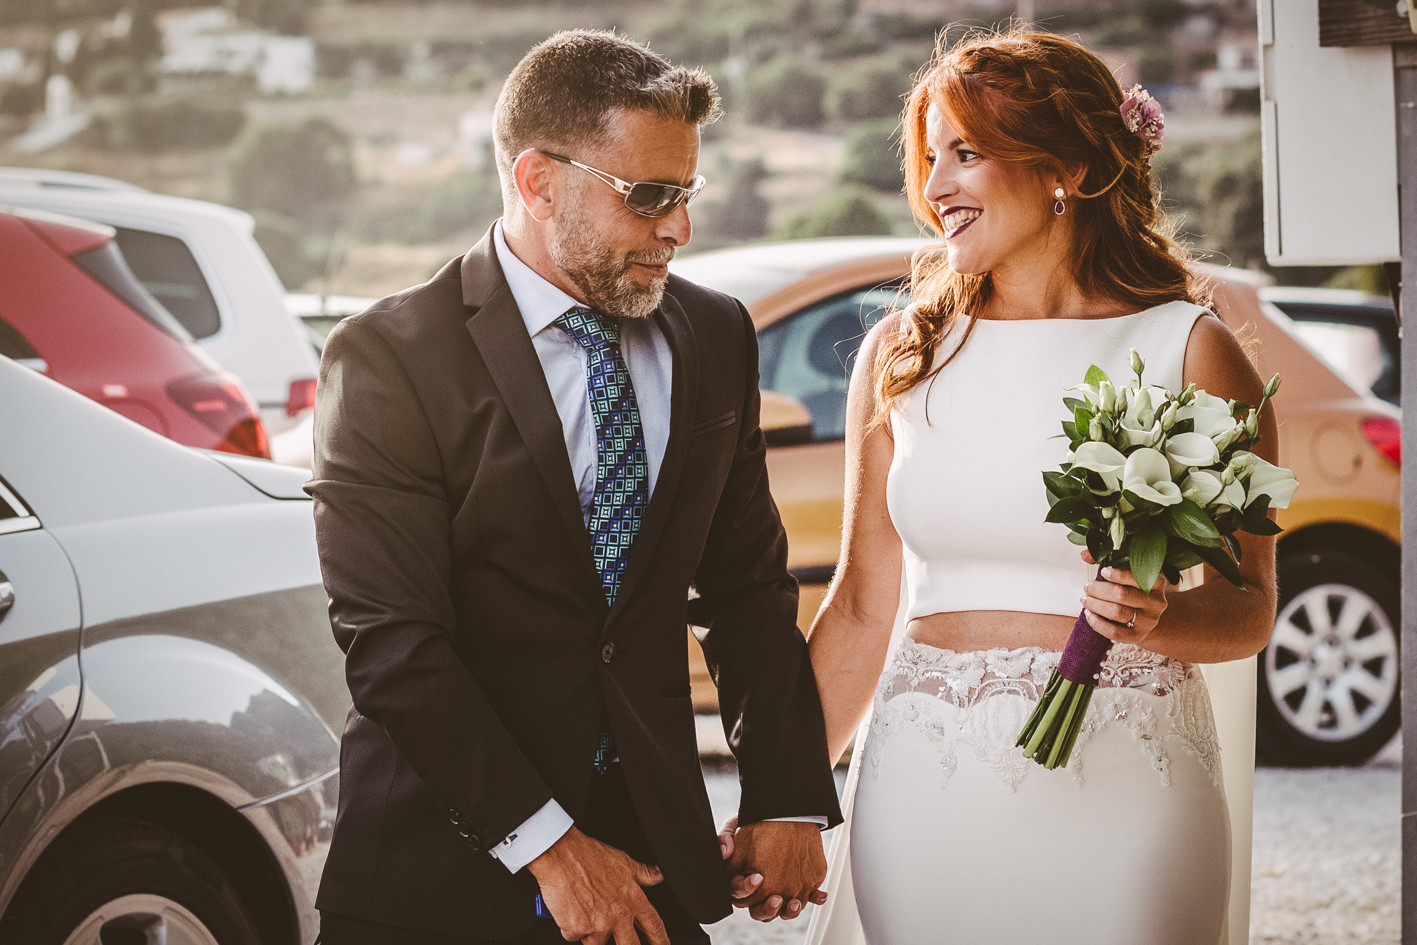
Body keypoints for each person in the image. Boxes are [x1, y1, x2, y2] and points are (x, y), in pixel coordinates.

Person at [307, 29, 841, 945]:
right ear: (537, 182)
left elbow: (747, 587)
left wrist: (787, 792)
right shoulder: (388, 355)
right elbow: (393, 638)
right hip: (434, 876)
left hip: (654, 864)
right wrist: (551, 848)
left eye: (686, 194)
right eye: (649, 197)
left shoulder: (713, 336)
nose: (678, 227)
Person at [802, 29, 1280, 945]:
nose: (936, 186)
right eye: (930, 156)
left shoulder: (1188, 350)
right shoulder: (902, 357)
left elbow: (1248, 604)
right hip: (924, 791)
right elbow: (864, 607)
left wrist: (1161, 620)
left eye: (967, 153)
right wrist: (779, 801)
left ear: (1065, 167)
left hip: (1127, 783)